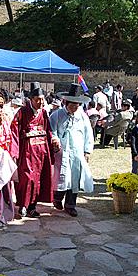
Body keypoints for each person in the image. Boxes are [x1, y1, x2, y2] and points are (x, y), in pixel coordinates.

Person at [10, 81, 56, 218]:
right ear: (31, 100)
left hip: (42, 150)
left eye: (42, 100)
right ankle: (23, 205)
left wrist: (52, 140)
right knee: (27, 178)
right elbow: (14, 131)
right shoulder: (22, 112)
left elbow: (48, 130)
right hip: (27, 151)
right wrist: (15, 151)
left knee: (39, 179)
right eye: (38, 100)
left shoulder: (43, 113)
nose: (41, 103)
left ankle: (32, 206)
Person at [50, 83, 94, 217]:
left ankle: (71, 204)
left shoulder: (82, 116)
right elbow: (51, 131)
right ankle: (57, 198)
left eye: (77, 105)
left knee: (74, 178)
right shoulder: (56, 115)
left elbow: (88, 134)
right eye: (72, 105)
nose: (75, 108)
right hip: (61, 153)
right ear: (66, 102)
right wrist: (54, 139)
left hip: (77, 153)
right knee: (62, 177)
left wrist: (87, 151)